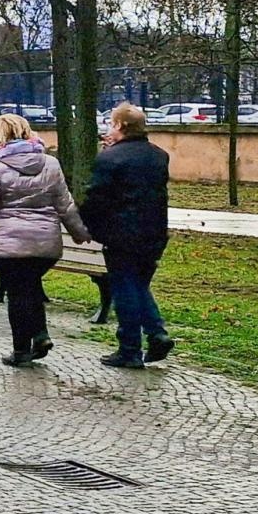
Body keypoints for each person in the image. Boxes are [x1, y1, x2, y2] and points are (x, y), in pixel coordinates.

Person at [0, 114, 90, 367]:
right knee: (30, 284)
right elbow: (65, 204)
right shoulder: (50, 164)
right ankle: (40, 334)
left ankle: (22, 351)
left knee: (18, 294)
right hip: (45, 244)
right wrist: (79, 233)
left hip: (9, 245)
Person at [80, 102, 174, 369]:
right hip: (154, 232)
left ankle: (130, 348)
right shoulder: (159, 156)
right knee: (138, 285)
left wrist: (87, 227)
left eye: (111, 122)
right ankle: (156, 334)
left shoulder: (109, 159)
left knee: (125, 289)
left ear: (120, 125)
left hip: (121, 234)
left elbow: (96, 199)